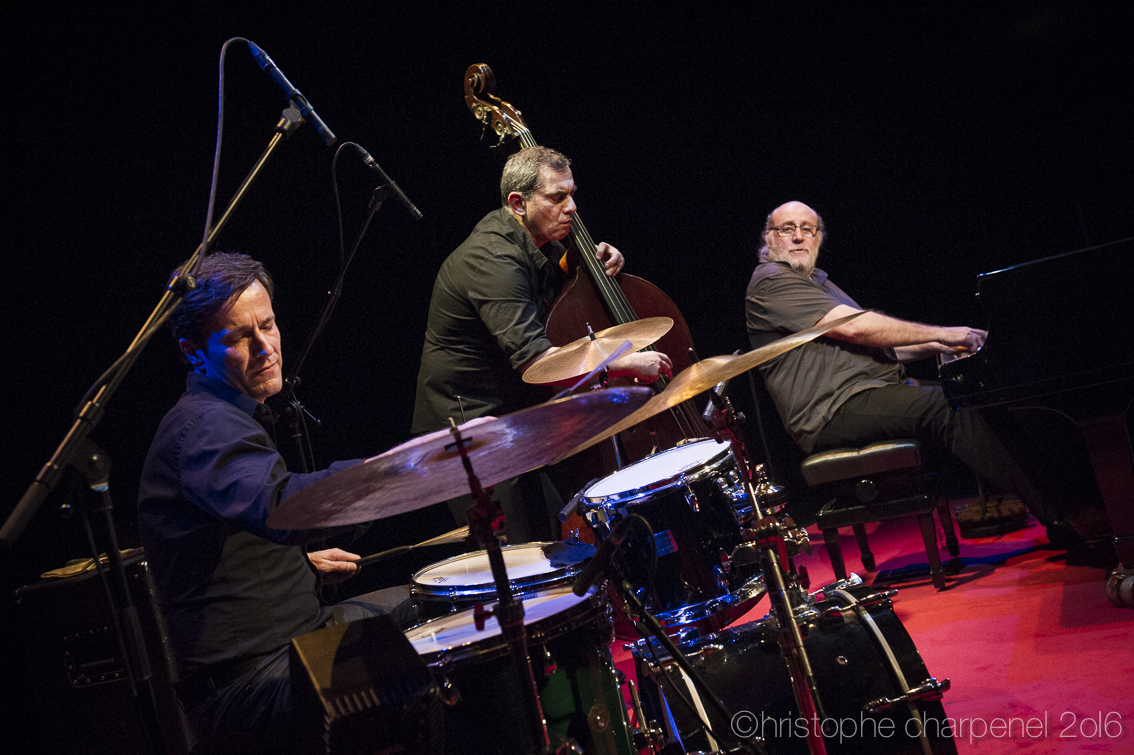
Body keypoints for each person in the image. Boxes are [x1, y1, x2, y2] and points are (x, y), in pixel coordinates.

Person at [137, 252, 415, 754]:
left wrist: (298, 567)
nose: (265, 346)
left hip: (293, 642)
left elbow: (234, 533)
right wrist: (397, 469)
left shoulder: (226, 415)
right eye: (240, 337)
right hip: (248, 686)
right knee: (442, 634)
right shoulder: (203, 428)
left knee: (438, 604)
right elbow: (280, 505)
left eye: (267, 325)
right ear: (193, 352)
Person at [744, 200, 1091, 541]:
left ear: (819, 238)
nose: (799, 237)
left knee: (973, 394)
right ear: (769, 238)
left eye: (808, 229)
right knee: (950, 407)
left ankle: (1072, 498)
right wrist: (941, 332)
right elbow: (857, 329)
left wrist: (938, 344)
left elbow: (878, 344)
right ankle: (1068, 513)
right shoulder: (772, 281)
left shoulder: (817, 283)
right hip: (830, 410)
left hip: (864, 393)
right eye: (787, 229)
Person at [411, 146, 672, 542]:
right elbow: (539, 364)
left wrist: (591, 261)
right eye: (557, 197)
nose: (572, 208)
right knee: (527, 549)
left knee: (558, 532)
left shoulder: (535, 241)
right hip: (468, 428)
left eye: (572, 193)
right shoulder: (492, 260)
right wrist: (625, 361)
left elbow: (552, 280)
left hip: (513, 415)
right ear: (518, 202)